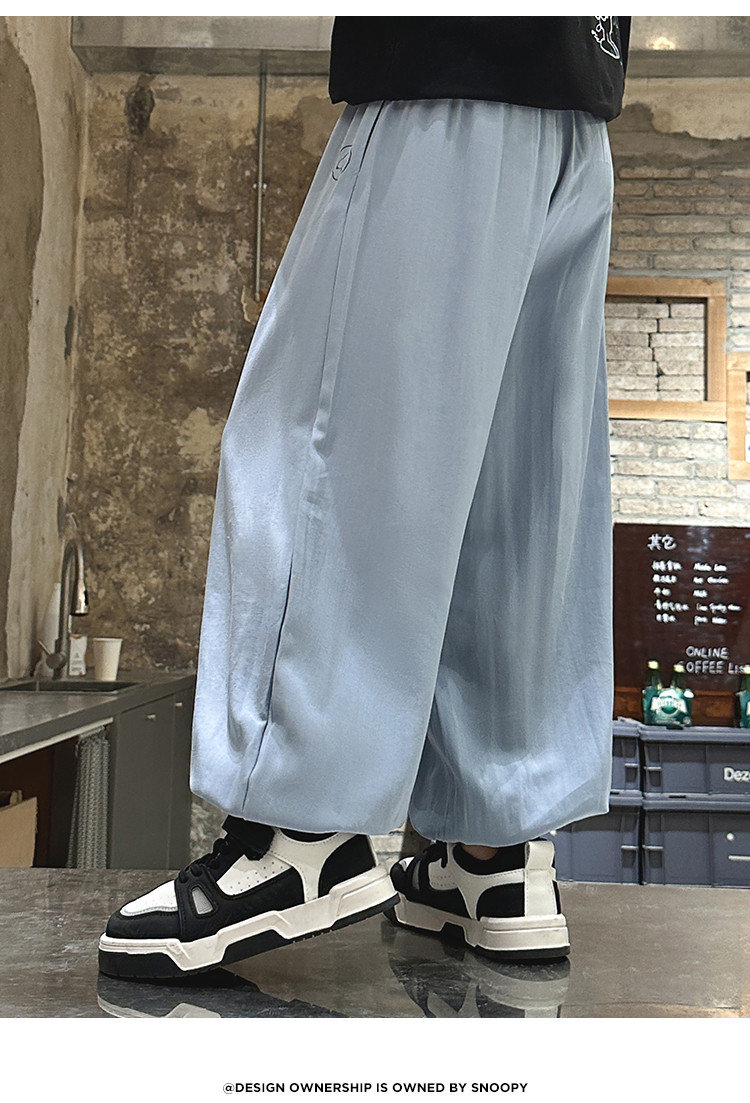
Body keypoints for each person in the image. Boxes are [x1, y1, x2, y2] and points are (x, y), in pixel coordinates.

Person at [99, 15, 631, 981]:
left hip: (443, 71)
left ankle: (297, 834)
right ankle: (496, 856)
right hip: (577, 106)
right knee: (516, 491)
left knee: (320, 442)